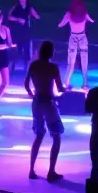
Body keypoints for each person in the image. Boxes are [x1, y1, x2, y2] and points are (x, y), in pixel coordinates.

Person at [25, 40, 66, 182]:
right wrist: (67, 89)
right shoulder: (53, 67)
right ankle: (51, 171)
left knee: (39, 135)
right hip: (48, 104)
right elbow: (59, 88)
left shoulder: (33, 65)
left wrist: (32, 94)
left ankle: (31, 170)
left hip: (37, 102)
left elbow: (26, 84)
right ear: (51, 52)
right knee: (56, 136)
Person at [58, 0, 94, 90]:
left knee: (71, 62)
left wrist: (59, 24)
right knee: (84, 62)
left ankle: (67, 83)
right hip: (82, 37)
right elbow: (91, 20)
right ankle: (85, 84)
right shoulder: (84, 13)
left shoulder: (69, 14)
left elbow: (61, 24)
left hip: (74, 38)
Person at [6, 0, 40, 74]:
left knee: (27, 49)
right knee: (17, 49)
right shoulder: (16, 6)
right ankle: (12, 68)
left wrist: (35, 14)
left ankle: (27, 69)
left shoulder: (29, 7)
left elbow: (37, 16)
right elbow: (9, 17)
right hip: (17, 31)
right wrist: (18, 19)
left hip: (25, 31)